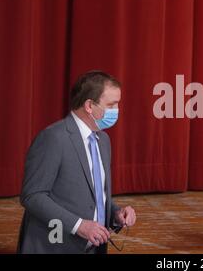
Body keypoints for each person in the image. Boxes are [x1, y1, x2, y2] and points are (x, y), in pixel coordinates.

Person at [18, 70, 136, 253]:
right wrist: (79, 225)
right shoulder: (53, 138)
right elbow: (32, 196)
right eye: (112, 105)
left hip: (93, 248)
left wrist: (116, 214)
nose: (116, 111)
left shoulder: (103, 141)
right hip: (55, 246)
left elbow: (94, 194)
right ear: (89, 105)